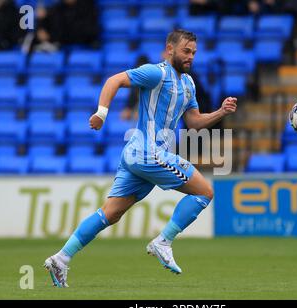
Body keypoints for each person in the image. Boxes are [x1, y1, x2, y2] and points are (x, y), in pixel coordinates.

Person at [44, 29, 238, 288]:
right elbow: (114, 80)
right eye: (185, 51)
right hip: (149, 153)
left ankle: (61, 258)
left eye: (193, 52)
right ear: (170, 49)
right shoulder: (156, 72)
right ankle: (163, 241)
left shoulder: (189, 84)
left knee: (111, 214)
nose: (190, 56)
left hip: (136, 155)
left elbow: (193, 123)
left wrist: (220, 112)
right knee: (204, 192)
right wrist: (101, 113)